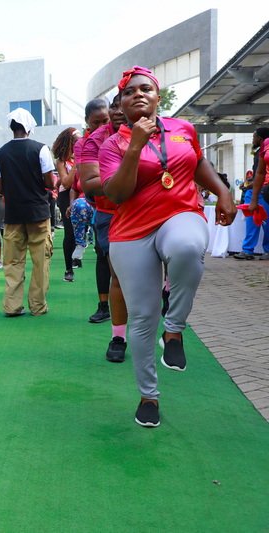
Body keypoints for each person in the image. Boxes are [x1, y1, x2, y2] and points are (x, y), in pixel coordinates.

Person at [99, 66, 236, 427]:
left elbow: (198, 163)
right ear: (122, 104)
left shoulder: (183, 129)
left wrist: (222, 192)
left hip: (180, 213)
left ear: (158, 97)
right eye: (130, 92)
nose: (139, 95)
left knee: (188, 246)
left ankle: (174, 328)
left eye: (146, 89)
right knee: (142, 318)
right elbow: (115, 193)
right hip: (131, 232)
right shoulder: (113, 144)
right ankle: (149, 396)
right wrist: (135, 148)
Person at [79, 93, 129, 362]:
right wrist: (130, 177)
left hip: (152, 213)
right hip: (110, 213)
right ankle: (118, 336)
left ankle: (170, 322)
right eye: (116, 104)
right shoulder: (97, 141)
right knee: (118, 275)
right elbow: (88, 183)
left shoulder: (163, 132)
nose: (119, 110)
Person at [0, 108, 55, 316]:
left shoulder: (0, 153)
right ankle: (38, 306)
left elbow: (0, 187)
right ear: (29, 127)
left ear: (11, 127)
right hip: (38, 212)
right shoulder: (41, 149)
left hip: (12, 214)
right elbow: (50, 181)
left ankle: (12, 306)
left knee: (12, 262)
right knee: (40, 261)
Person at [235, 127, 269, 259]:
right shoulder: (261, 151)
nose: (252, 139)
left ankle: (267, 250)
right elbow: (259, 172)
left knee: (267, 222)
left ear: (260, 138)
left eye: (254, 136)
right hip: (256, 190)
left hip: (265, 190)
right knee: (251, 221)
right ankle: (248, 250)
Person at [52, 127, 80, 281]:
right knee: (70, 232)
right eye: (76, 141)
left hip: (83, 193)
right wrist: (77, 164)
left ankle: (77, 255)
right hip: (65, 196)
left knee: (79, 231)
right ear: (69, 143)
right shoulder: (61, 161)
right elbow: (66, 182)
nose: (80, 142)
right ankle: (68, 269)